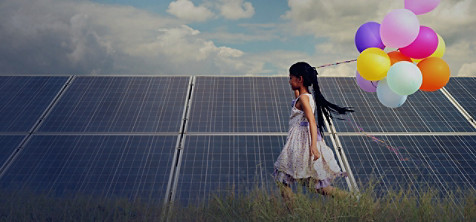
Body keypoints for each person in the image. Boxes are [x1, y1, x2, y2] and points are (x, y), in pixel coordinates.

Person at [273, 61, 354, 210]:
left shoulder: (304, 99)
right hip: (301, 142)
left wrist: (314, 147)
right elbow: (297, 97)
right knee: (314, 185)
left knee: (282, 177)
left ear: (300, 79)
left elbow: (312, 121)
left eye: (291, 78)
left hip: (301, 144)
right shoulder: (304, 96)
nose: (289, 81)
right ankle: (353, 200)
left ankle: (294, 211)